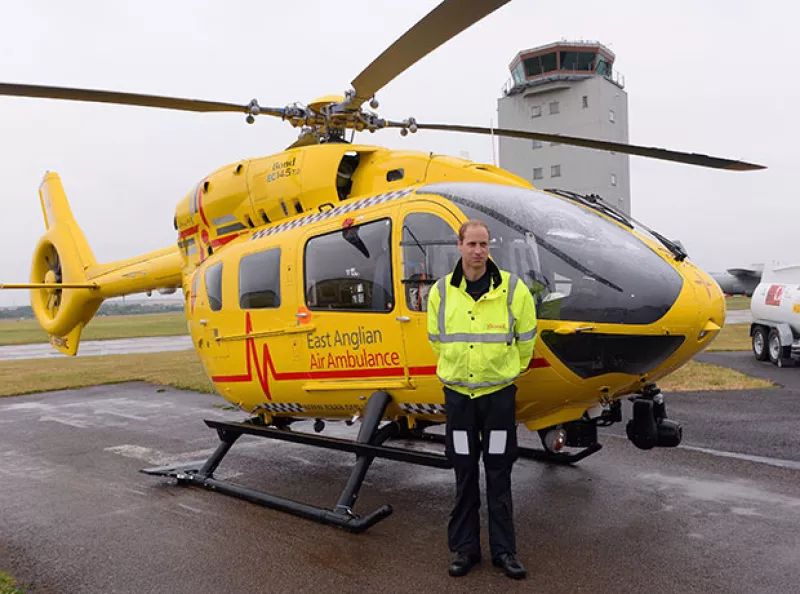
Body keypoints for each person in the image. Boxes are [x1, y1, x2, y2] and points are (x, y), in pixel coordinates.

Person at [426, 220, 537, 580]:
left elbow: (526, 340)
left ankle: (505, 551)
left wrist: (506, 373)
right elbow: (436, 340)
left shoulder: (513, 290)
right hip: (459, 399)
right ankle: (465, 550)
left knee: (499, 472)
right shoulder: (441, 292)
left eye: (484, 244)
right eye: (472, 243)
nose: (478, 250)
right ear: (458, 246)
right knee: (463, 471)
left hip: (498, 399)